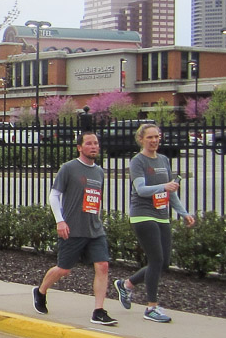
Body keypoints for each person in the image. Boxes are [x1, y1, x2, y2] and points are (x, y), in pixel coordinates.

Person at [112, 123, 196, 323]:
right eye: (150, 137)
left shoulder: (164, 160)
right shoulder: (137, 161)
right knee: (156, 259)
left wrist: (183, 213)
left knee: (163, 262)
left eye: (157, 136)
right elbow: (141, 189)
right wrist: (164, 186)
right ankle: (151, 307)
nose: (154, 140)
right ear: (141, 139)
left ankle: (126, 285)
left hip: (161, 215)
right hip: (142, 215)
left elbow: (170, 192)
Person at [32, 132, 117, 325]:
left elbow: (96, 200)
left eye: (96, 143)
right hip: (72, 229)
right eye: (89, 143)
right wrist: (60, 221)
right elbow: (54, 195)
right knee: (63, 269)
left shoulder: (99, 172)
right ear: (79, 147)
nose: (93, 146)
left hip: (95, 229)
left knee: (103, 265)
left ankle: (99, 311)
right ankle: (41, 291)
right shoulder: (69, 168)